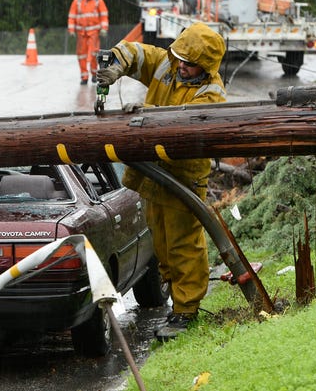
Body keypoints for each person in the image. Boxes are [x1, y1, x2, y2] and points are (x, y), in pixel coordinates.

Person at [96, 22, 227, 341]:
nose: (181, 65)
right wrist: (114, 63)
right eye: (180, 57)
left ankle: (186, 312)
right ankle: (177, 300)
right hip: (153, 175)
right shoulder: (168, 64)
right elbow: (136, 52)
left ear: (206, 66)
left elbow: (182, 126)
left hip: (182, 176)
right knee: (163, 244)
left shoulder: (211, 94)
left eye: (189, 62)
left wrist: (147, 112)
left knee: (183, 245)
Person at [67, 0, 109, 85]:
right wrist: (71, 29)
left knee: (94, 53)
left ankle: (94, 74)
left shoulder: (98, 1)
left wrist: (104, 28)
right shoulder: (77, 2)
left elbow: (104, 15)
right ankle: (84, 77)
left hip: (94, 32)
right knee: (81, 55)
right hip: (81, 33)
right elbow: (72, 16)